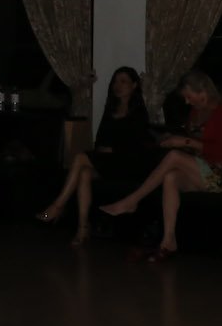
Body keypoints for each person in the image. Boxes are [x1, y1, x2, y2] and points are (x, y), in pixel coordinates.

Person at [99, 69, 222, 261]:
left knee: (174, 156)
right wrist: (174, 139)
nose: (187, 102)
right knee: (170, 177)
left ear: (202, 92)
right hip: (204, 170)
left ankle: (132, 201)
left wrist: (184, 142)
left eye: (189, 97)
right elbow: (196, 147)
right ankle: (168, 241)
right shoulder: (195, 112)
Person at [36, 66, 155, 246]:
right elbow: (100, 139)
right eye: (115, 81)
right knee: (84, 172)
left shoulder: (139, 112)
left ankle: (58, 206)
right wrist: (103, 149)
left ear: (134, 85)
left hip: (128, 164)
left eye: (123, 81)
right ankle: (83, 227)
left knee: (80, 158)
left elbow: (138, 145)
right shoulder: (110, 109)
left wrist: (113, 150)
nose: (118, 85)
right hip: (109, 162)